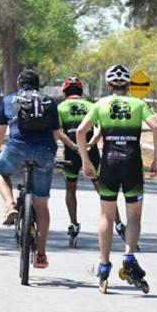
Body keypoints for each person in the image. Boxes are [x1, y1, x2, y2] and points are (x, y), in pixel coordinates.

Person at [75, 64, 157, 290]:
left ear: (108, 85)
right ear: (128, 85)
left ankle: (104, 265)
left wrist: (86, 161)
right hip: (132, 163)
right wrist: (156, 159)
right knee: (133, 216)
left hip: (109, 163)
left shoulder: (100, 104)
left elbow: (80, 132)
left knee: (106, 215)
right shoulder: (139, 104)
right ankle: (129, 255)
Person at [0, 69, 63, 269]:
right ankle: (41, 254)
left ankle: (10, 205)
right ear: (38, 85)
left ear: (18, 85)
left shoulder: (9, 100)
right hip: (45, 151)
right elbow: (56, 134)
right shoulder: (49, 102)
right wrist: (50, 154)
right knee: (41, 204)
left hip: (17, 148)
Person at [56, 77, 103, 244]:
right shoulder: (91, 106)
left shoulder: (60, 107)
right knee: (102, 190)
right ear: (81, 92)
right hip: (91, 152)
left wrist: (73, 146)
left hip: (71, 152)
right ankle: (118, 223)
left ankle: (74, 224)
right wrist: (91, 143)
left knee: (70, 188)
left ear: (64, 92)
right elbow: (101, 129)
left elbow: (59, 131)